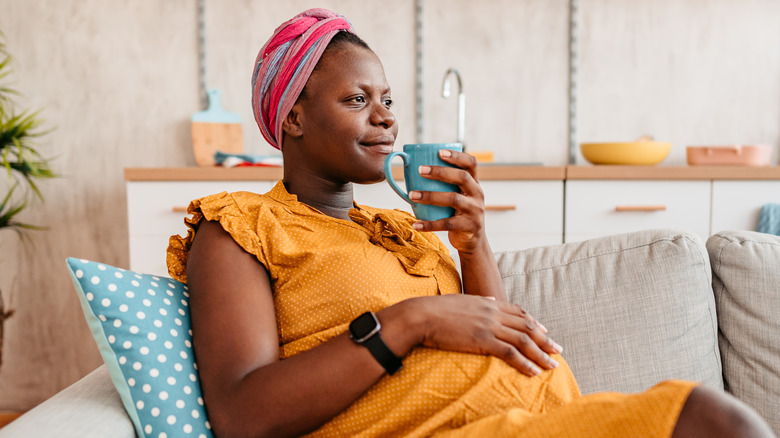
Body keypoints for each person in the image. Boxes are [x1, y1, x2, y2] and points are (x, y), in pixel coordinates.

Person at [167, 8, 775, 438]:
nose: (385, 119)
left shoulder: (406, 228)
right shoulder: (241, 228)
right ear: (293, 118)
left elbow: (499, 334)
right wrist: (412, 320)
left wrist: (473, 241)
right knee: (713, 420)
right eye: (357, 101)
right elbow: (243, 414)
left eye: (388, 101)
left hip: (533, 420)